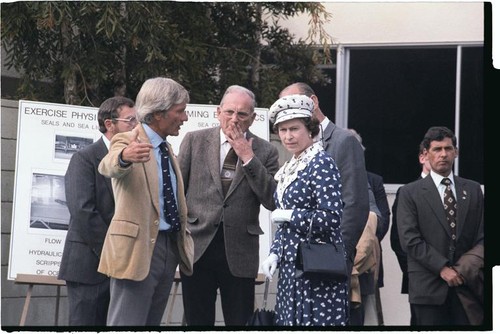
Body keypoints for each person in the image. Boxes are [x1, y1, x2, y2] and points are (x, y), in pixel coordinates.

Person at [177, 85, 279, 326]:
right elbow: (177, 191)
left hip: (240, 250)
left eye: (242, 114)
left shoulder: (266, 151)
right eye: (230, 112)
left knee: (240, 320)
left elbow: (272, 199)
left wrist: (247, 156)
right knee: (197, 320)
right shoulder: (194, 140)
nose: (235, 119)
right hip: (198, 246)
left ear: (253, 118)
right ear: (218, 112)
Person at [97, 77, 194, 326]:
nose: (184, 118)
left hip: (167, 248)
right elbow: (108, 166)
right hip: (136, 252)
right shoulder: (127, 140)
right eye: (180, 111)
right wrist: (124, 158)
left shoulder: (166, 149)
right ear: (159, 113)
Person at [261, 94, 348, 326]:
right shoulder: (290, 166)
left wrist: (291, 214)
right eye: (282, 130)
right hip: (291, 269)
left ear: (309, 129)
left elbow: (331, 217)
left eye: (294, 129)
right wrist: (275, 252)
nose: (288, 136)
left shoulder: (321, 162)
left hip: (316, 270)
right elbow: (284, 225)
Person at [58, 96, 136, 326]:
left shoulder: (135, 159)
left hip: (123, 268)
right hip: (89, 267)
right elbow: (82, 210)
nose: (136, 126)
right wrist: (113, 251)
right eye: (130, 120)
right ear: (109, 124)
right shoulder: (84, 158)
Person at [279, 83, 369, 279]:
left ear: (313, 101)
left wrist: (337, 252)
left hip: (329, 257)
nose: (288, 133)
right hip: (298, 257)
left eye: (293, 105)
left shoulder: (343, 141)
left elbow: (354, 203)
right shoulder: (295, 147)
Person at [397, 126, 484, 326]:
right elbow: (409, 239)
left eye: (448, 148)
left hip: (468, 286)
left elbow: (483, 235)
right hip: (428, 289)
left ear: (456, 152)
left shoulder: (472, 190)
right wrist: (442, 268)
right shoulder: (410, 193)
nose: (443, 154)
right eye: (437, 149)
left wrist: (463, 269)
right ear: (426, 154)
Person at [390, 143, 430, 325]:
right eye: (435, 151)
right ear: (422, 157)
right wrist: (414, 273)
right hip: (419, 279)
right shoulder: (406, 192)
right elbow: (398, 241)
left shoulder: (458, 191)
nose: (442, 157)